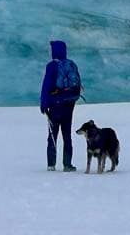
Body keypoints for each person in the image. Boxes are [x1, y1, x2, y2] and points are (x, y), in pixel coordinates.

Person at [40, 39, 82, 172]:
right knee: (67, 134)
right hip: (69, 104)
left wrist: (44, 104)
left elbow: (47, 85)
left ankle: (51, 164)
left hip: (55, 104)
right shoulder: (71, 64)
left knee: (53, 134)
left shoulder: (52, 66)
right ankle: (67, 164)